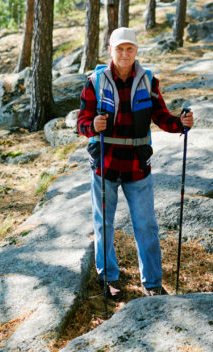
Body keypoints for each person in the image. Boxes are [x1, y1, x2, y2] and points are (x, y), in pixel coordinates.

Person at [76, 27, 194, 297]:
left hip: (138, 166)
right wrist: (93, 126)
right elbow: (81, 123)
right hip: (104, 164)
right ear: (110, 50)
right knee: (103, 223)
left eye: (130, 48)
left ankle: (152, 283)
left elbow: (162, 117)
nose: (125, 54)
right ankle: (109, 279)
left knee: (146, 225)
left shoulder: (148, 81)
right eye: (119, 48)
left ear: (136, 51)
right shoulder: (95, 82)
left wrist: (181, 124)